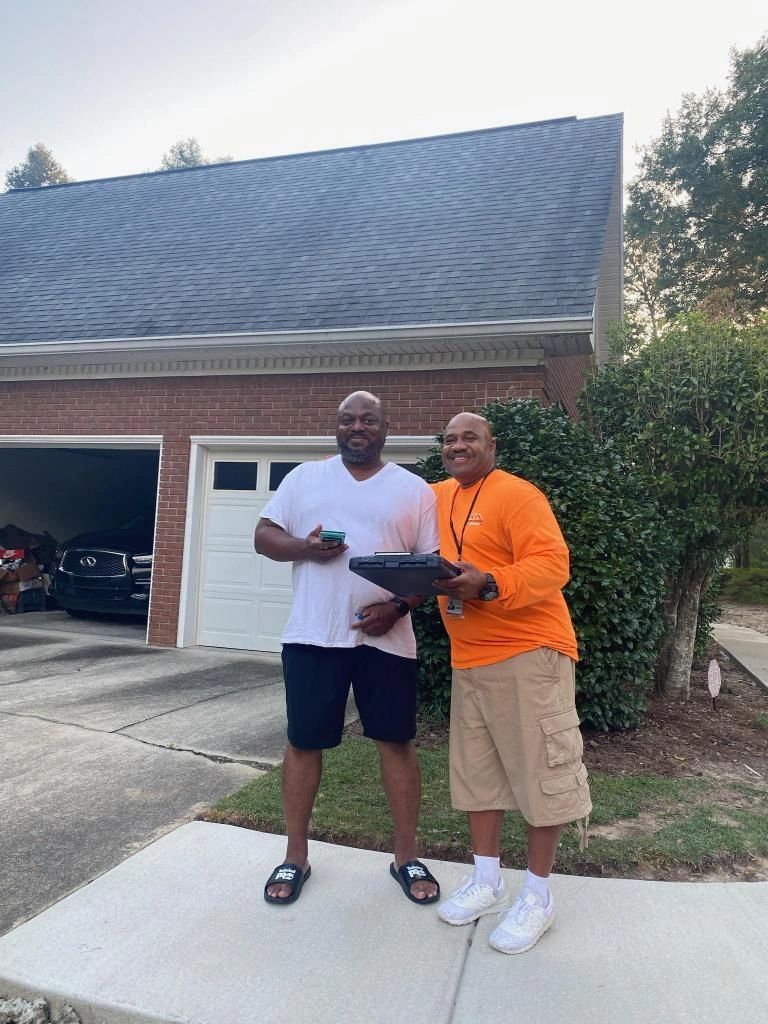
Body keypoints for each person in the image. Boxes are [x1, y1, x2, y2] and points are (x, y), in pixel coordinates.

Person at [254, 390, 441, 907]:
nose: (357, 427)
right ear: (337, 427)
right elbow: (263, 537)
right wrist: (305, 549)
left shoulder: (415, 489)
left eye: (369, 420)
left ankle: (406, 857)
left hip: (387, 641)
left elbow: (430, 569)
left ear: (385, 428)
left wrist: (398, 607)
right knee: (303, 744)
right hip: (314, 635)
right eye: (347, 420)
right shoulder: (304, 479)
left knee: (397, 743)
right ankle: (295, 856)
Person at [431, 412, 591, 954]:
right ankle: (487, 879)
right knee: (479, 776)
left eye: (468, 438)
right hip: (467, 658)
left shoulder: (519, 496)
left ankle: (539, 895)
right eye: (449, 440)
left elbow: (553, 564)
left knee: (541, 776)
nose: (457, 447)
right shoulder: (437, 497)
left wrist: (491, 581)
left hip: (530, 654)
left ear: (491, 446)